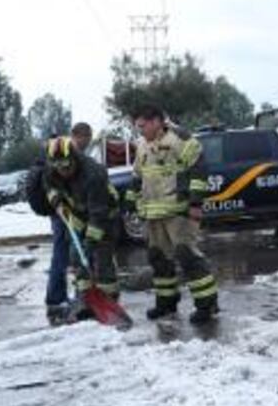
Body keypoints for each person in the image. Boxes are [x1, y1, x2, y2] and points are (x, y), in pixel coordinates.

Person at [125, 104, 220, 325]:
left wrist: (196, 202)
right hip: (153, 214)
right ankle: (166, 303)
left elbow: (199, 169)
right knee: (159, 260)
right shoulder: (141, 145)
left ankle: (208, 304)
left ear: (157, 121)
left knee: (188, 257)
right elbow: (138, 176)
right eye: (137, 126)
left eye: (143, 125)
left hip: (179, 212)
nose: (140, 131)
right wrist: (130, 202)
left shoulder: (181, 138)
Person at [42, 132, 120, 321]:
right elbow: (48, 184)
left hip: (103, 215)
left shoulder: (93, 173)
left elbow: (98, 213)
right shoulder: (53, 168)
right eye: (57, 166)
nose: (63, 171)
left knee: (102, 259)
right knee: (77, 258)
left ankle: (109, 301)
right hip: (77, 214)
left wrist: (91, 241)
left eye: (66, 166)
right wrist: (56, 199)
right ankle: (87, 300)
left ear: (74, 159)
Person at [25, 123, 94, 324]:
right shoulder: (63, 154)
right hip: (63, 210)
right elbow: (57, 182)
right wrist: (59, 202)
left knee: (63, 252)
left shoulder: (55, 151)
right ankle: (58, 298)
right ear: (77, 136)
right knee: (63, 252)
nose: (86, 144)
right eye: (85, 139)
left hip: (60, 208)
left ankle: (58, 297)